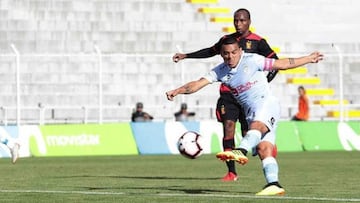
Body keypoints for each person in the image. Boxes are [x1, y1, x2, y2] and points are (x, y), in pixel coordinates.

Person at [166, 37, 323, 195]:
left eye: (234, 52)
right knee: (264, 149)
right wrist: (178, 91)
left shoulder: (253, 60)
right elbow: (196, 84)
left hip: (266, 104)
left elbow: (282, 64)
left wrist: (309, 58)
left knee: (257, 127)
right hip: (251, 112)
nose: (230, 57)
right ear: (221, 54)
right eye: (226, 54)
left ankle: (241, 150)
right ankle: (273, 184)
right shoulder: (220, 71)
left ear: (240, 51)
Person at [172, 8, 279, 182]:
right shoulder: (227, 40)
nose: (238, 24)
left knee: (249, 132)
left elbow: (275, 63)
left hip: (250, 98)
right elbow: (210, 51)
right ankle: (231, 172)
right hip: (228, 94)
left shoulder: (258, 42)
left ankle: (266, 159)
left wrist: (264, 83)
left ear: (249, 22)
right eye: (236, 21)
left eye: (242, 21)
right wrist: (186, 55)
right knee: (228, 128)